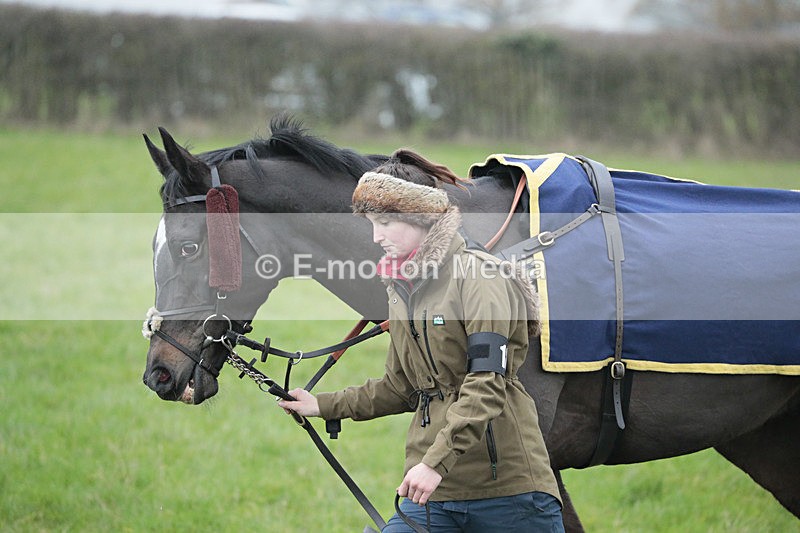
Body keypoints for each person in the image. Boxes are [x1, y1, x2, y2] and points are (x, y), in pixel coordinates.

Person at [278, 149, 564, 532]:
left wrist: (434, 464)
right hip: (432, 497)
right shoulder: (401, 288)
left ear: (421, 217)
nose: (375, 237)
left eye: (384, 222)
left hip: (510, 496)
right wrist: (324, 405)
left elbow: (487, 385)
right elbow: (401, 387)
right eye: (371, 224)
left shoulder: (481, 279)